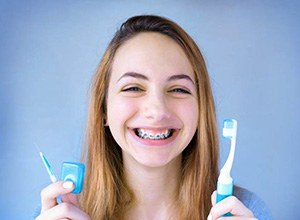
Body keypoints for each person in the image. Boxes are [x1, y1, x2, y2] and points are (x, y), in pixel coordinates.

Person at [34, 15, 272, 220]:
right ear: (103, 109)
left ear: (201, 109)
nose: (157, 110)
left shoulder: (244, 211)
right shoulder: (60, 212)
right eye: (133, 88)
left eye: (179, 89)